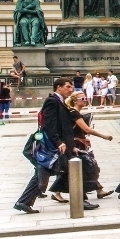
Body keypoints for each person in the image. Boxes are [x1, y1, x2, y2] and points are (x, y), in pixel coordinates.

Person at [14, 77, 76, 214]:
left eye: (71, 87)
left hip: (61, 144)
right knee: (53, 171)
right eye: (68, 87)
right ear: (58, 87)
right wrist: (58, 142)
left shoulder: (60, 101)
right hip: (54, 145)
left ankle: (23, 201)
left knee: (44, 172)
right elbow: (49, 124)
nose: (71, 90)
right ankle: (80, 199)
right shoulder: (52, 101)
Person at [49, 91, 114, 205]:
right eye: (82, 99)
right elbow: (87, 130)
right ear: (75, 100)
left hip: (77, 143)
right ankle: (94, 191)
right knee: (88, 167)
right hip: (76, 145)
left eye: (85, 98)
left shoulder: (74, 112)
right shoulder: (74, 113)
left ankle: (96, 190)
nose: (84, 100)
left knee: (81, 168)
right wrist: (104, 136)